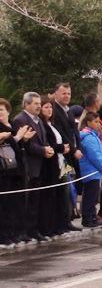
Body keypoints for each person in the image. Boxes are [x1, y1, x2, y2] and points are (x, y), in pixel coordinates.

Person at [12, 92, 54, 241]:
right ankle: (23, 231)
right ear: (26, 104)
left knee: (35, 201)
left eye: (39, 104)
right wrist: (43, 150)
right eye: (35, 104)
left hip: (39, 165)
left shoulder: (38, 121)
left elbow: (43, 139)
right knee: (26, 201)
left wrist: (48, 148)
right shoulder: (20, 120)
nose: (38, 106)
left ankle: (33, 230)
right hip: (27, 166)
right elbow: (27, 145)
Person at [39, 97, 76, 237]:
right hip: (52, 164)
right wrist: (61, 148)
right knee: (54, 196)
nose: (49, 110)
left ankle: (65, 223)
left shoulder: (52, 124)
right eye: (46, 107)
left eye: (50, 107)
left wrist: (65, 147)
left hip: (62, 163)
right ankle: (54, 226)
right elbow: (49, 144)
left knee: (65, 194)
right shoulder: (43, 125)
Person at [0, 98, 35, 244]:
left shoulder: (12, 125)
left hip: (17, 169)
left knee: (17, 203)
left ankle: (15, 232)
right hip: (4, 170)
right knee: (4, 204)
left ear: (8, 111)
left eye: (1, 110)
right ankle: (4, 235)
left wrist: (23, 139)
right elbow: (10, 142)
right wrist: (17, 137)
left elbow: (17, 145)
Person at [79, 112, 102, 228]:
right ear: (88, 123)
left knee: (93, 196)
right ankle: (88, 218)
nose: (98, 124)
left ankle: (92, 216)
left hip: (94, 172)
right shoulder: (89, 137)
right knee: (90, 196)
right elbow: (95, 155)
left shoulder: (93, 136)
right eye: (95, 122)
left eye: (99, 122)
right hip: (90, 171)